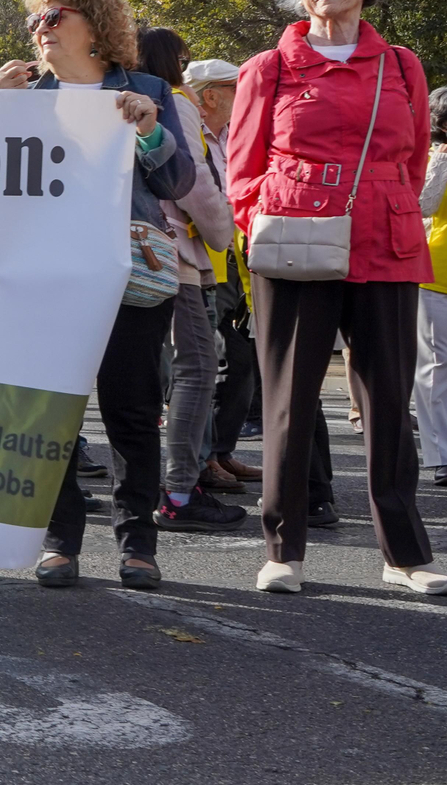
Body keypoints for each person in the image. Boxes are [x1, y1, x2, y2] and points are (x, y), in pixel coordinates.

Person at [227, 0, 447, 596]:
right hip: (295, 245)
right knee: (289, 401)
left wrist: (384, 208)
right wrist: (267, 224)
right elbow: (242, 169)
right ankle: (282, 549)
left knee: (388, 401)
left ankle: (404, 553)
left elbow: (411, 163)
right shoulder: (269, 67)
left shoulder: (403, 66)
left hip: (386, 241)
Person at [0, 0, 195, 591]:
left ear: (95, 28)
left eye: (53, 17)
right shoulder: (24, 96)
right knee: (49, 411)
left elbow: (181, 182)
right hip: (44, 275)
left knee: (131, 411)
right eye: (35, 21)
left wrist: (149, 130)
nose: (39, 30)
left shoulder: (148, 89)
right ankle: (59, 542)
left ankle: (138, 546)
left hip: (127, 272)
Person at [136, 29, 247, 532]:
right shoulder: (171, 100)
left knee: (137, 376)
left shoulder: (109, 95)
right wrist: (223, 228)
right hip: (172, 255)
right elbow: (193, 182)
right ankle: (180, 490)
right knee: (196, 367)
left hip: (139, 252)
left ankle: (150, 491)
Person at [183, 59, 265, 488]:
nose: (249, 96)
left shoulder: (237, 135)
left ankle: (221, 452)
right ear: (211, 96)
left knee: (243, 363)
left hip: (240, 261)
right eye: (239, 89)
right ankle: (198, 467)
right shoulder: (187, 133)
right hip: (202, 263)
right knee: (201, 367)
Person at [416, 85, 447, 489]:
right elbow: (422, 205)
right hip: (437, 274)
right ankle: (441, 455)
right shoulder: (432, 160)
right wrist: (441, 165)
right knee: (437, 368)